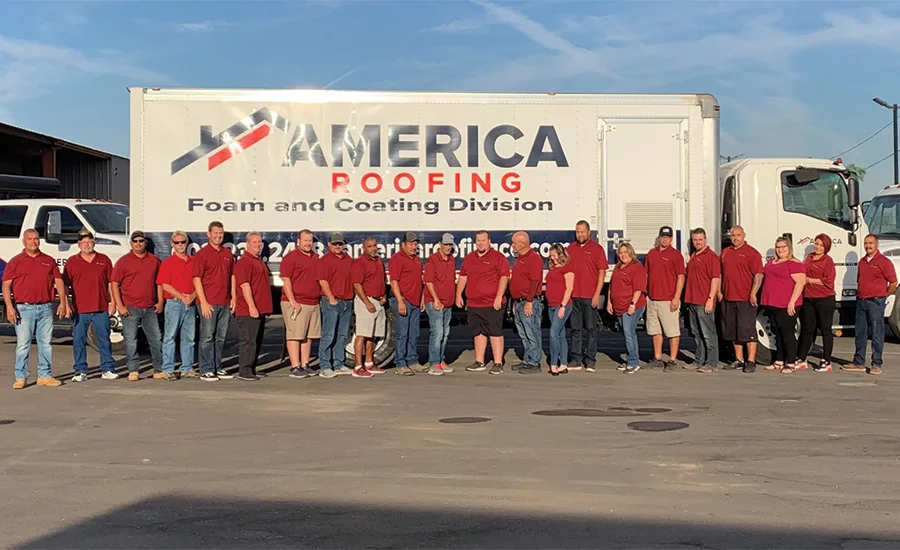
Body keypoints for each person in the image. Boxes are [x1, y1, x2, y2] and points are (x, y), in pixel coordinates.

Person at [3, 228, 68, 389]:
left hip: (45, 307)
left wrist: (63, 302)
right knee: (23, 344)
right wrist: (9, 307)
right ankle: (21, 377)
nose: (33, 241)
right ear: (24, 242)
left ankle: (44, 376)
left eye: (36, 238)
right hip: (24, 309)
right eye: (30, 239)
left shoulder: (48, 260)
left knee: (45, 343)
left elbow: (59, 282)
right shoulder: (16, 261)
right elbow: (6, 286)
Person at [64, 229, 117, 382]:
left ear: (94, 243)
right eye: (84, 242)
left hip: (100, 307)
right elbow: (65, 285)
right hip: (80, 309)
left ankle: (107, 369)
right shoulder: (72, 262)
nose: (87, 244)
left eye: (90, 241)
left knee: (104, 339)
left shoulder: (104, 260)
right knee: (79, 340)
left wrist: (113, 301)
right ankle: (80, 371)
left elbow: (111, 282)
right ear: (79, 244)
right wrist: (66, 303)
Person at [111, 230, 163, 382]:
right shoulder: (123, 261)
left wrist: (160, 301)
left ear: (145, 243)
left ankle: (159, 369)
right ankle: (133, 370)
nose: (138, 244)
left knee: (156, 339)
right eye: (135, 241)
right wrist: (120, 305)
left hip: (150, 307)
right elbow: (114, 284)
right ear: (131, 243)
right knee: (130, 340)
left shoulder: (154, 261)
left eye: (141, 241)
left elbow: (159, 283)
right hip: (130, 307)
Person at [457, 230, 510, 374]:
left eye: (483, 240)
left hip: (492, 303)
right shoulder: (469, 258)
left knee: (495, 332)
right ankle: (479, 361)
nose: (480, 243)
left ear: (489, 241)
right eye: (478, 240)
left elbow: (504, 277)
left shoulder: (498, 257)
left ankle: (498, 363)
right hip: (474, 303)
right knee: (478, 332)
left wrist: (499, 296)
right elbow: (463, 276)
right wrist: (458, 295)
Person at [845, 234, 898, 375]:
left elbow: (894, 282)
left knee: (876, 333)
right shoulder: (862, 262)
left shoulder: (884, 262)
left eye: (871, 243)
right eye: (866, 243)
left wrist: (883, 295)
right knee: (860, 333)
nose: (868, 246)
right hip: (861, 302)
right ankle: (859, 362)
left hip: (875, 302)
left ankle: (876, 364)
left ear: (877, 244)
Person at [192, 221, 236, 381]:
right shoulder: (202, 255)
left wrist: (233, 297)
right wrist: (203, 302)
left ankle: (217, 367)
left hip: (224, 302)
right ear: (208, 234)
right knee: (207, 337)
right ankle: (206, 369)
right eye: (215, 233)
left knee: (220, 337)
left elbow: (232, 276)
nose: (218, 236)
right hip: (208, 303)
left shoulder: (228, 254)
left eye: (221, 233)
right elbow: (196, 279)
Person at [719, 226, 764, 373]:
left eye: (738, 235)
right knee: (734, 331)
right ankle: (739, 360)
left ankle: (750, 361)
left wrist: (753, 293)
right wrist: (719, 292)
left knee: (747, 330)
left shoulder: (752, 253)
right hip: (728, 298)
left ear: (744, 235)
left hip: (745, 299)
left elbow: (758, 275)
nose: (735, 238)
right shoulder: (725, 252)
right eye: (733, 235)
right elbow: (720, 274)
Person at [566, 220, 609, 372]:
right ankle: (576, 359)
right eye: (578, 232)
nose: (580, 234)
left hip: (590, 296)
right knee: (575, 329)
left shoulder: (597, 249)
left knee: (591, 329)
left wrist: (597, 294)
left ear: (588, 232)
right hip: (574, 296)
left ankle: (590, 359)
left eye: (582, 231)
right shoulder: (570, 249)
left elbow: (602, 273)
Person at [760, 237, 806, 374]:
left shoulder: (794, 263)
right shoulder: (771, 262)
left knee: (788, 334)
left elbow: (800, 283)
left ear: (789, 248)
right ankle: (779, 361)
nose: (781, 249)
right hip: (772, 303)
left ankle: (791, 363)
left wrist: (792, 302)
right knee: (778, 333)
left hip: (787, 304)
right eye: (778, 247)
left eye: (783, 247)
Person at [280, 230, 322, 379]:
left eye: (310, 241)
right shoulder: (291, 258)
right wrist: (293, 301)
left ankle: (305, 364)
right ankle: (295, 366)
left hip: (313, 302)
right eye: (305, 240)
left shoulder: (315, 258)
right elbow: (286, 280)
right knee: (295, 335)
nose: (308, 244)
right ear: (298, 241)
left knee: (308, 336)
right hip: (296, 302)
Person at [156, 231, 197, 380]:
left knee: (189, 338)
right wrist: (182, 297)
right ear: (172, 244)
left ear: (187, 243)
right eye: (177, 242)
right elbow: (165, 285)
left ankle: (187, 367)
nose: (180, 245)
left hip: (190, 304)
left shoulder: (194, 261)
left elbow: (199, 282)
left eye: (183, 242)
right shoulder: (168, 263)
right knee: (170, 337)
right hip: (174, 303)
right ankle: (168, 369)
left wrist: (192, 296)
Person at [644, 226, 686, 371]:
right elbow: (646, 274)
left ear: (671, 239)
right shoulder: (652, 253)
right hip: (652, 298)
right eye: (663, 237)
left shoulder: (676, 255)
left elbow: (681, 277)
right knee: (655, 331)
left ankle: (672, 360)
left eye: (667, 237)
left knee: (672, 332)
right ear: (659, 237)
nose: (665, 239)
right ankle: (658, 358)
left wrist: (676, 298)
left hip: (668, 299)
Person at [233, 232, 273, 381]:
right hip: (248, 310)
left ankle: (252, 367)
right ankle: (244, 370)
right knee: (248, 341)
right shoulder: (244, 262)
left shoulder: (258, 260)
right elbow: (244, 285)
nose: (258, 245)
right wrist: (251, 306)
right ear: (247, 244)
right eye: (254, 242)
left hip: (260, 308)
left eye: (259, 242)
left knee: (256, 340)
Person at [797, 234, 836, 373]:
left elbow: (829, 281)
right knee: (807, 329)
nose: (818, 247)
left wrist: (810, 280)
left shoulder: (828, 261)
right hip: (809, 298)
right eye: (816, 244)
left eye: (821, 245)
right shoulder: (809, 257)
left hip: (824, 298)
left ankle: (827, 361)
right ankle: (802, 359)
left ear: (826, 247)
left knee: (825, 329)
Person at [388, 231, 426, 376]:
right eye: (411, 244)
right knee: (402, 334)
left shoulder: (416, 259)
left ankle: (412, 361)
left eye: (415, 244)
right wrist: (400, 301)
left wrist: (422, 298)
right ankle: (400, 363)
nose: (413, 246)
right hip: (404, 300)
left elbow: (419, 281)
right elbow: (394, 282)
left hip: (415, 302)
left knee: (414, 333)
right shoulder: (397, 259)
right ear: (403, 244)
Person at [317, 232, 354, 378]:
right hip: (332, 302)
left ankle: (339, 364)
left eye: (340, 244)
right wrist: (331, 298)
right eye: (335, 244)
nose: (338, 246)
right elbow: (322, 280)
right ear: (329, 245)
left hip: (347, 301)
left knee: (342, 335)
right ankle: (325, 366)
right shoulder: (324, 260)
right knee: (328, 334)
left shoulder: (348, 259)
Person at [606, 243, 647, 374]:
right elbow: (612, 286)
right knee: (627, 333)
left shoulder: (636, 267)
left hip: (631, 305)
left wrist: (632, 304)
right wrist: (609, 302)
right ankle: (631, 359)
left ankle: (633, 362)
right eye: (621, 252)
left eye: (625, 252)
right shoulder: (618, 267)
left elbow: (638, 288)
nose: (623, 255)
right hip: (619, 305)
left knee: (628, 332)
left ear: (631, 253)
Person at [684, 228, 721, 374]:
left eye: (700, 239)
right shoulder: (694, 255)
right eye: (695, 240)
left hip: (704, 300)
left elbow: (715, 279)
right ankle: (699, 360)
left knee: (708, 332)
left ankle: (711, 362)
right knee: (696, 333)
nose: (697, 242)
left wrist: (710, 299)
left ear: (705, 240)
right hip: (692, 300)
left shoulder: (711, 257)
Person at [351, 236, 388, 378]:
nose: (373, 249)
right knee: (361, 334)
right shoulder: (359, 263)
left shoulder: (378, 261)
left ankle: (369, 363)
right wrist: (367, 302)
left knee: (372, 335)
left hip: (378, 301)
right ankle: (358, 366)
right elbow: (357, 284)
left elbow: (382, 280)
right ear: (363, 248)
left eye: (374, 246)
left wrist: (383, 295)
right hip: (365, 301)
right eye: (370, 246)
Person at [509, 231, 544, 374]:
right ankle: (527, 359)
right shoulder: (521, 258)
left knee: (531, 332)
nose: (512, 245)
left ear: (522, 243)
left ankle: (534, 362)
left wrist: (529, 301)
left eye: (514, 243)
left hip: (529, 302)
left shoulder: (533, 258)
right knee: (523, 333)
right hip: (519, 302)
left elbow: (535, 280)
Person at [424, 233, 456, 376]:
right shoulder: (432, 260)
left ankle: (441, 359)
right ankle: (434, 363)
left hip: (448, 303)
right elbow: (429, 281)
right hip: (435, 302)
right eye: (445, 244)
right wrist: (436, 299)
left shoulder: (451, 259)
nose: (448, 247)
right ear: (440, 244)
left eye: (450, 245)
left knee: (445, 333)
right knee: (437, 333)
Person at [545, 244, 575, 376]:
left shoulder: (567, 269)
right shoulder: (552, 269)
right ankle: (563, 363)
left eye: (554, 255)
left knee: (553, 333)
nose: (552, 258)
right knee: (560, 334)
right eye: (550, 256)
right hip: (551, 305)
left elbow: (569, 288)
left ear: (560, 254)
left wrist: (562, 306)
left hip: (562, 305)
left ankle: (553, 363)